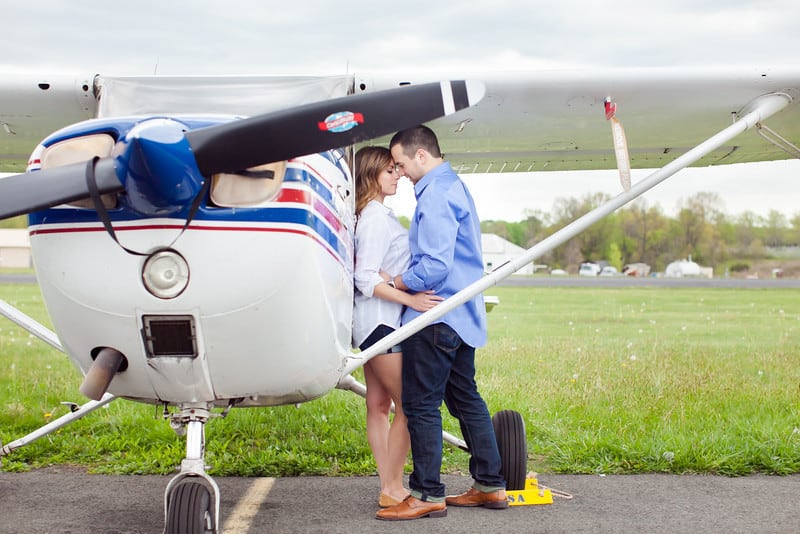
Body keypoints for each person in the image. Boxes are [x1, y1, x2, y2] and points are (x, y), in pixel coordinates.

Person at [376, 125, 507, 521]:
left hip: (436, 314)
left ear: (421, 155)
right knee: (466, 399)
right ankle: (489, 484)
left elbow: (433, 266)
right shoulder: (455, 186)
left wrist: (394, 282)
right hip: (462, 315)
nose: (401, 173)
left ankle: (427, 492)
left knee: (420, 404)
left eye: (401, 164)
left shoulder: (434, 195)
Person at [352, 146, 443, 509]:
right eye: (390, 170)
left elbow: (373, 271)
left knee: (378, 404)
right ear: (372, 174)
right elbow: (364, 278)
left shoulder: (372, 215)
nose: (397, 175)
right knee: (409, 404)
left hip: (369, 323)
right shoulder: (374, 219)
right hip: (382, 323)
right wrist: (412, 300)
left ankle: (389, 483)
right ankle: (391, 486)